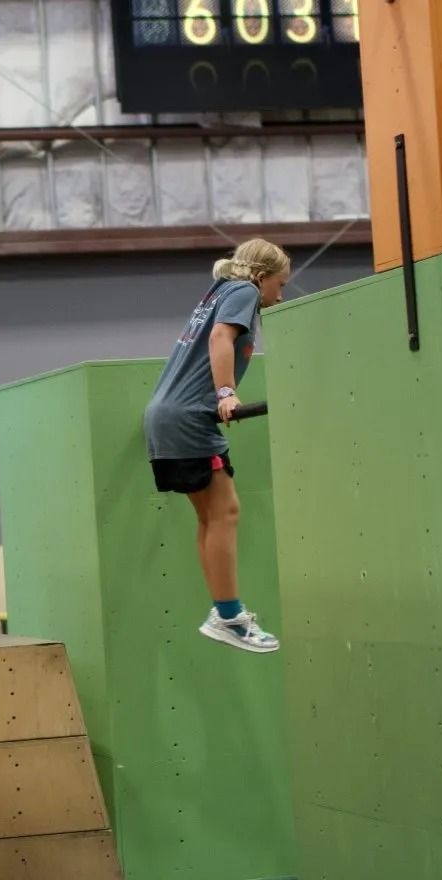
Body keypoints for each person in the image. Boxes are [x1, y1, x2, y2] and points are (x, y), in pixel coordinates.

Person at [142, 237, 291, 655]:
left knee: (210, 517)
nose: (281, 295)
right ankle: (229, 616)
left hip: (165, 416)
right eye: (280, 285)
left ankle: (223, 612)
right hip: (190, 417)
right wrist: (225, 392)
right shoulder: (243, 291)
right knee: (225, 512)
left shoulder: (220, 290)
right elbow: (221, 338)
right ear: (262, 278)